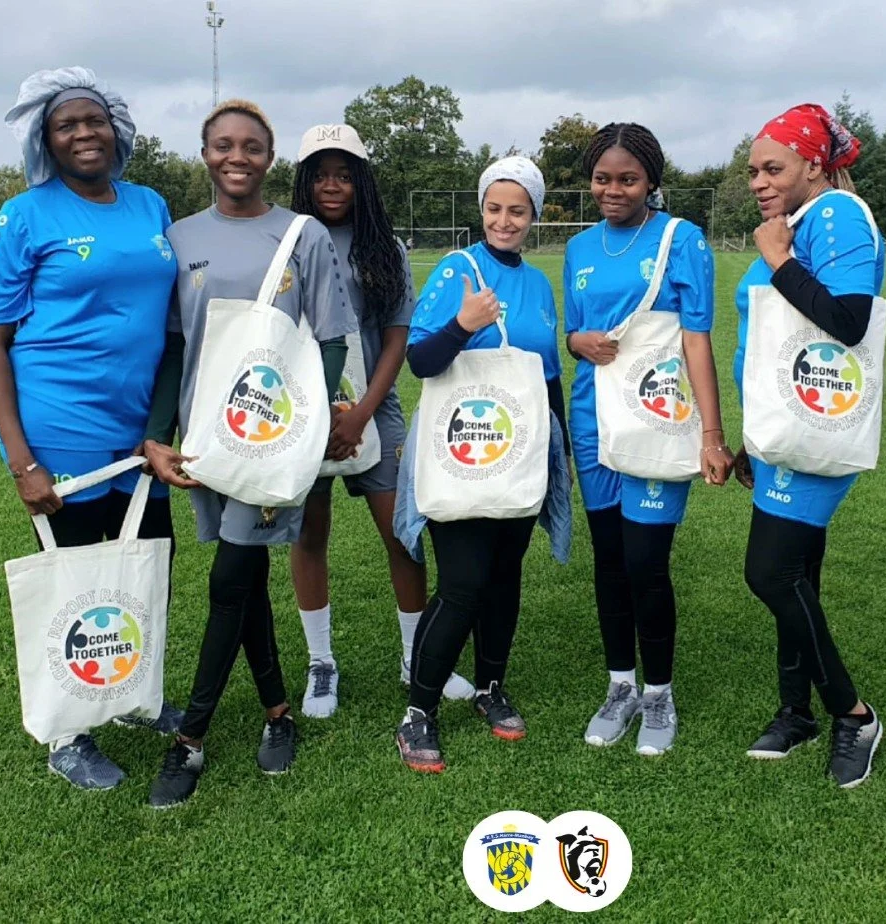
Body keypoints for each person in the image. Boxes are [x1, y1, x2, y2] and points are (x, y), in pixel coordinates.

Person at [139, 101, 358, 808]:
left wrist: (303, 435)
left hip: (271, 440)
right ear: (205, 153)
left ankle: (191, 740)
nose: (238, 157)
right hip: (206, 437)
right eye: (224, 145)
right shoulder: (178, 237)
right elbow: (175, 345)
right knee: (246, 575)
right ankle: (276, 713)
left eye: (253, 147)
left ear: (271, 158)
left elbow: (327, 342)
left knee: (230, 579)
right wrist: (158, 433)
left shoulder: (304, 236)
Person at [0, 67, 183, 790]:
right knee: (75, 582)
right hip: (60, 431)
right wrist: (21, 459)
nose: (84, 133)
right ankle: (66, 732)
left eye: (94, 121)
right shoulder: (24, 216)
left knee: (144, 568)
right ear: (47, 139)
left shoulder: (151, 204)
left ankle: (127, 697)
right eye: (67, 125)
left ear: (117, 129)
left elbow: (173, 324)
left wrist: (160, 425)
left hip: (141, 437)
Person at [286, 124, 474, 718]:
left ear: (361, 180)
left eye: (344, 174)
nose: (332, 186)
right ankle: (322, 663)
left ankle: (416, 657)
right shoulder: (286, 242)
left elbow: (396, 338)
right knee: (309, 535)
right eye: (320, 175)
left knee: (403, 534)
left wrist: (361, 413)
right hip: (302, 411)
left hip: (376, 407)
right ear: (304, 181)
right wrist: (322, 416)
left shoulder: (384, 248)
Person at [391, 157, 570, 773]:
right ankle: (419, 711)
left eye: (517, 210)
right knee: (463, 583)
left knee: (504, 578)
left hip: (521, 453)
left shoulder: (539, 285)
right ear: (481, 209)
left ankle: (491, 687)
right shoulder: (457, 270)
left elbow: (546, 376)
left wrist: (559, 450)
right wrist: (463, 325)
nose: (504, 220)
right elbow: (420, 361)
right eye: (494, 208)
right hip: (463, 452)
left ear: (535, 216)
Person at [731, 104, 885, 787]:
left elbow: (848, 320)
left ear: (815, 165)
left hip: (815, 419)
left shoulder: (837, 217)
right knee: (798, 574)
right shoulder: (797, 222)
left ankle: (852, 713)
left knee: (768, 572)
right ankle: (795, 710)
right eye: (753, 170)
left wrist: (777, 261)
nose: (759, 181)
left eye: (774, 167)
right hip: (783, 424)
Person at [563, 123, 728, 756]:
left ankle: (658, 693)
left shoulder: (681, 239)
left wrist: (712, 435)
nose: (613, 190)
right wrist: (578, 342)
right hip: (592, 420)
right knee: (609, 562)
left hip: (657, 418)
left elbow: (695, 339)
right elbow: (577, 335)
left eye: (627, 178)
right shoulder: (579, 248)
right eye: (603, 178)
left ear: (652, 181)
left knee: (645, 563)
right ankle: (620, 685)